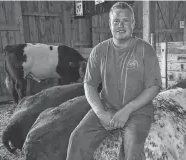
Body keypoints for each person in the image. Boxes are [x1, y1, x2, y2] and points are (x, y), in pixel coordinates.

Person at [66, 2, 162, 160]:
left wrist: (127, 110)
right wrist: (100, 112)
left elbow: (154, 86)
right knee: (77, 139)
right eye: (116, 21)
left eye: (125, 21)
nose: (120, 25)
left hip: (138, 110)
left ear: (133, 23)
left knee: (132, 150)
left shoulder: (145, 50)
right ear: (110, 24)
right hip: (107, 106)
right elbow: (89, 84)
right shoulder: (99, 51)